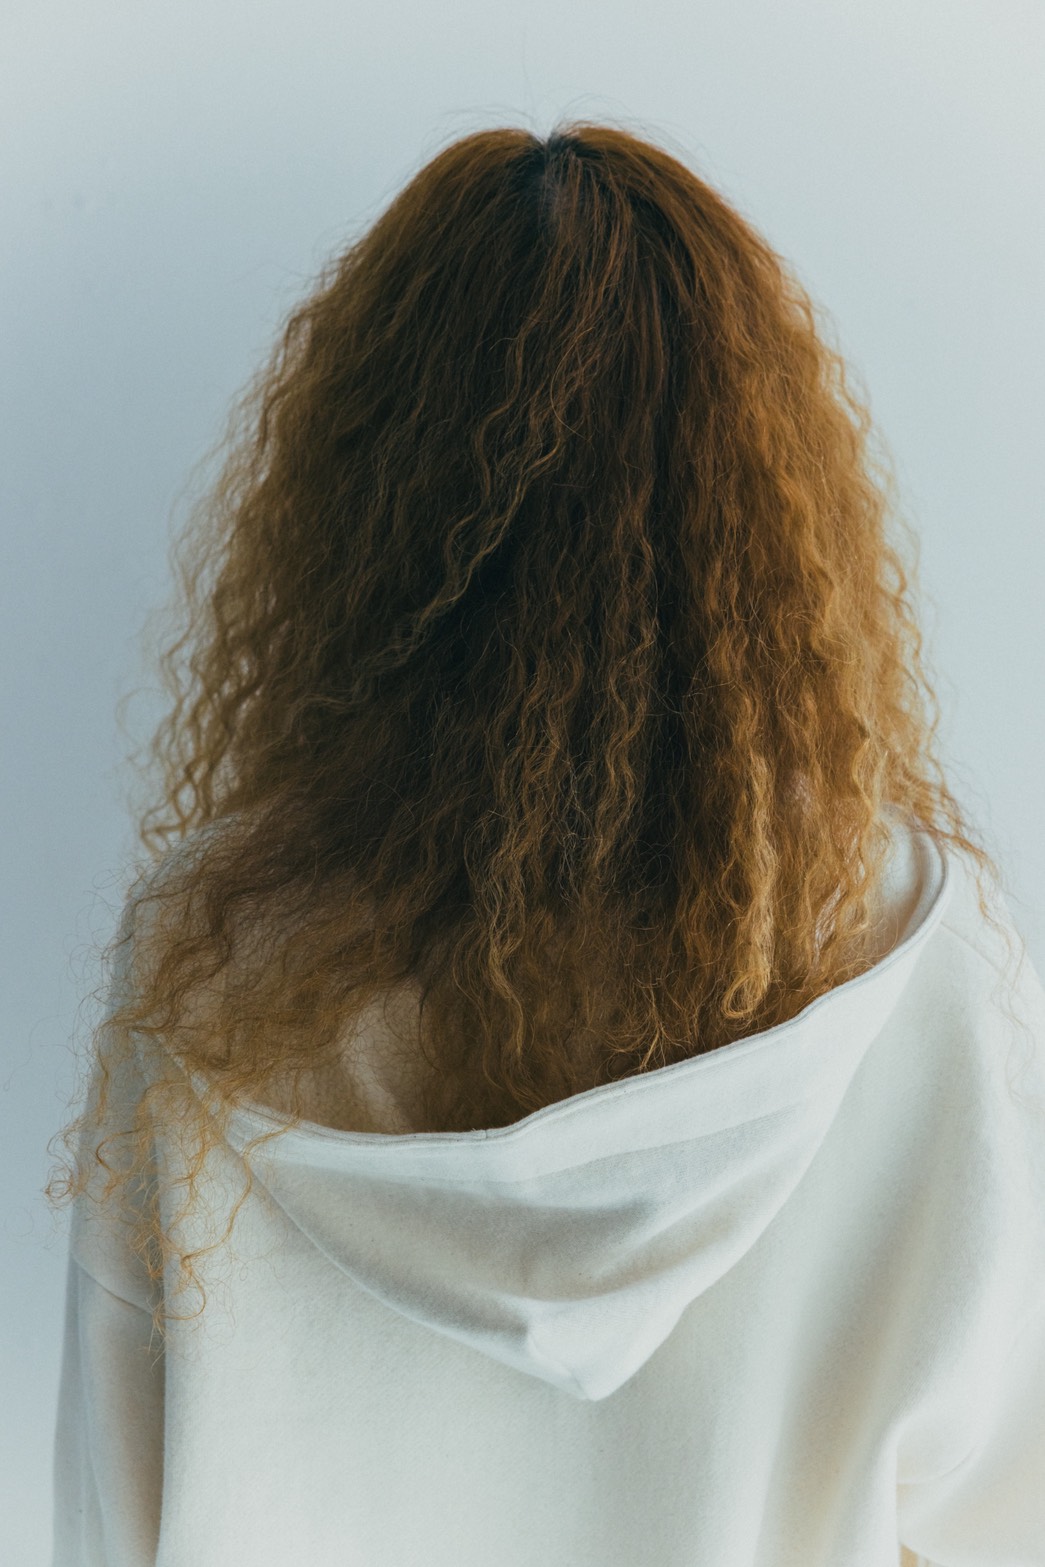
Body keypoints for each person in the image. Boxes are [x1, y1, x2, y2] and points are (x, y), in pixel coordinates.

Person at [46, 122, 1045, 1567]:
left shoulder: (214, 963)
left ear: (364, 507)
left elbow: (113, 1510)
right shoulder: (913, 959)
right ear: (763, 504)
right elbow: (1003, 1508)